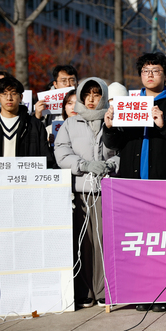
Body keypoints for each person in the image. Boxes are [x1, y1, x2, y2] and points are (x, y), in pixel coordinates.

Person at [103, 52, 166, 312]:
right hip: (132, 184)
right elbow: (114, 144)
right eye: (145, 71)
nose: (150, 75)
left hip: (165, 183)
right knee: (137, 241)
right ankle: (140, 292)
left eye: (156, 70)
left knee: (163, 241)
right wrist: (109, 126)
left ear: (165, 74)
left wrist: (165, 125)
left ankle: (164, 293)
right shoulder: (129, 103)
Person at [54, 77, 118, 309]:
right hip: (80, 192)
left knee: (103, 242)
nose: (91, 100)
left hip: (106, 191)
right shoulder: (71, 124)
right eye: (87, 95)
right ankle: (83, 290)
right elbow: (61, 152)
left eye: (97, 94)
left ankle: (102, 290)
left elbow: (123, 150)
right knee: (82, 243)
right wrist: (83, 165)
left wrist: (111, 165)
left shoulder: (113, 120)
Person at [0, 76, 53, 171]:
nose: (9, 98)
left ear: (21, 97)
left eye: (13, 93)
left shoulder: (34, 125)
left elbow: (45, 157)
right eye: (4, 94)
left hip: (26, 180)